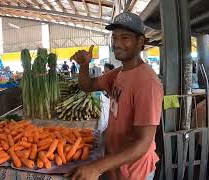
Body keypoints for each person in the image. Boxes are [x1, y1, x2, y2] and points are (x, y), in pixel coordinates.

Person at [68, 12, 163, 180]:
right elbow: (87, 85)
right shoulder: (119, 73)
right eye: (114, 38)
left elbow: (143, 143)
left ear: (140, 41)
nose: (117, 44)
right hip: (115, 165)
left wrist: (97, 167)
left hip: (134, 172)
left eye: (125, 38)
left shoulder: (147, 82)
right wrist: (84, 64)